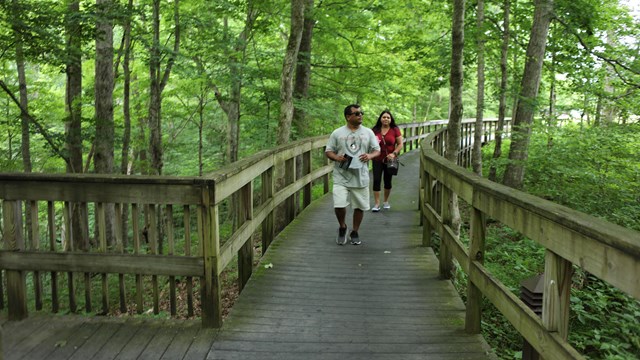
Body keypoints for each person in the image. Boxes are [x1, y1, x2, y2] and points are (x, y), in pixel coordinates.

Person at [326, 104, 381, 245]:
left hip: (360, 175)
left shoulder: (368, 132)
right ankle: (342, 227)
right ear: (348, 116)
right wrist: (337, 157)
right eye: (356, 113)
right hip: (341, 175)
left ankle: (355, 231)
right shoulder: (337, 133)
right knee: (339, 204)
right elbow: (329, 151)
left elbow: (377, 150)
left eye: (361, 113)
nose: (360, 115)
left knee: (359, 206)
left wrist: (369, 155)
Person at [371, 110, 403, 212]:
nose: (386, 119)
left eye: (388, 117)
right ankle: (376, 204)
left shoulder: (395, 129)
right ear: (380, 118)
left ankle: (385, 201)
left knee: (387, 181)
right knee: (376, 180)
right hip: (377, 159)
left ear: (391, 119)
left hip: (390, 160)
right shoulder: (375, 130)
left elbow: (400, 144)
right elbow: (368, 143)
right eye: (384, 117)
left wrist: (394, 153)